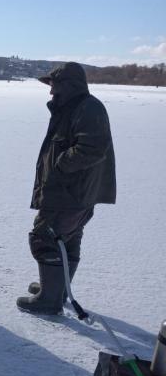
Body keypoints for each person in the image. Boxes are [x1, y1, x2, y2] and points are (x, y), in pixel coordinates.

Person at [17, 62, 115, 315]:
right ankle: (56, 288)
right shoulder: (73, 107)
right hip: (75, 192)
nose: (51, 92)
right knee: (67, 238)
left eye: (55, 85)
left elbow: (92, 148)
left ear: (68, 85)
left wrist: (60, 166)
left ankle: (50, 300)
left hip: (70, 192)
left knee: (44, 238)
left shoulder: (87, 108)